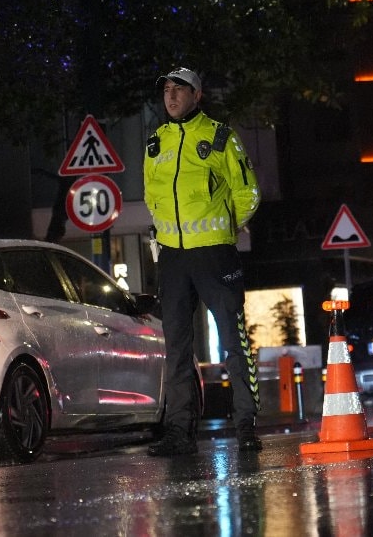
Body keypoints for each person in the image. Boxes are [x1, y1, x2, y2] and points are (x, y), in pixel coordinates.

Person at [144, 67, 261, 456]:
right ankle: (179, 432)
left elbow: (248, 192)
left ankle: (245, 425)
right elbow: (151, 195)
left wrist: (226, 228)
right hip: (173, 257)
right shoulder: (156, 143)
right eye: (167, 90)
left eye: (180, 89)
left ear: (197, 95)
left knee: (233, 339)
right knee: (176, 346)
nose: (171, 96)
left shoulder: (220, 136)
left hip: (214, 252)